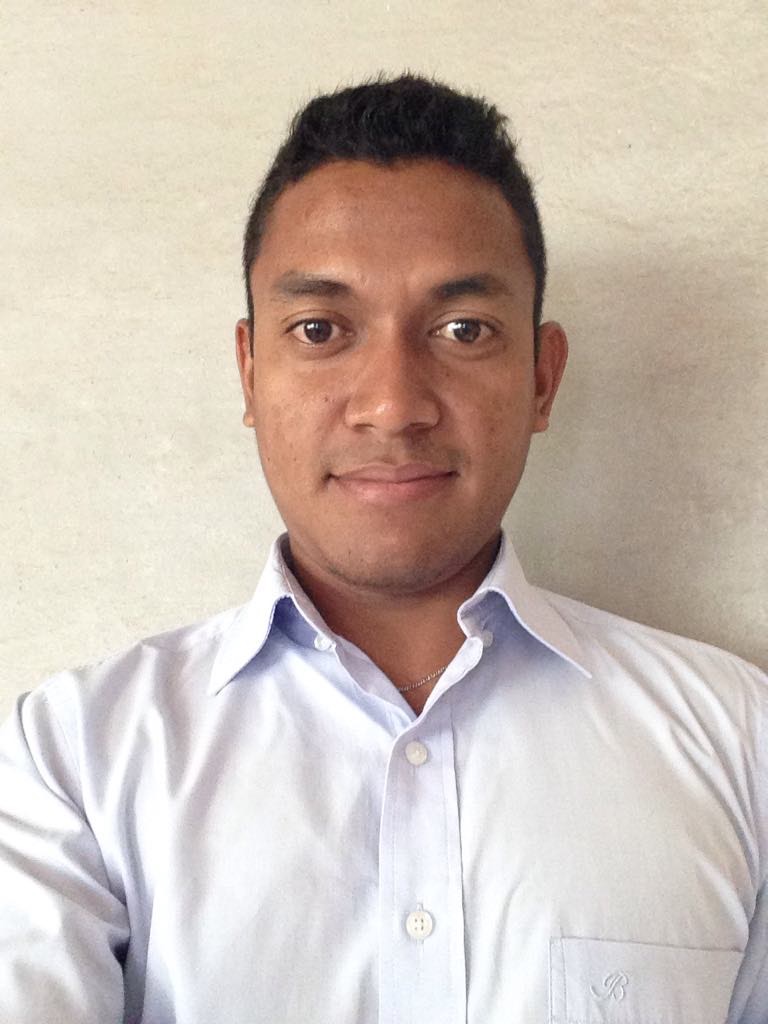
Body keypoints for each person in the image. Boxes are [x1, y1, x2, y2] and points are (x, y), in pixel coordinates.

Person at [0, 74, 765, 1024]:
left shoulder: (741, 744)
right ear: (250, 370)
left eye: (463, 330)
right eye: (320, 329)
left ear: (542, 377)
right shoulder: (71, 760)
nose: (394, 404)